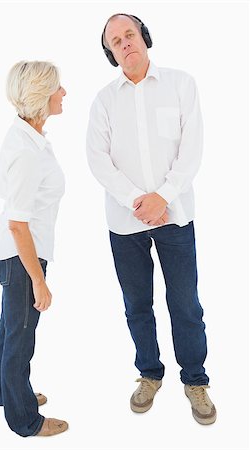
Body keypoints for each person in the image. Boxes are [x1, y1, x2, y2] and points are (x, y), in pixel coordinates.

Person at [86, 13, 216, 425]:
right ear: (110, 52)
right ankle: (148, 374)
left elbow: (192, 148)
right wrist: (135, 201)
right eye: (115, 40)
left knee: (186, 303)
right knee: (136, 305)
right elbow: (97, 160)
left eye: (130, 34)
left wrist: (163, 197)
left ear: (145, 37)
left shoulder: (181, 84)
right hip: (124, 225)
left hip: (175, 216)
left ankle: (195, 379)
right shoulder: (104, 100)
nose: (125, 43)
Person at [0, 60, 68, 437]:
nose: (64, 93)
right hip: (23, 255)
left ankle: (8, 393)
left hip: (16, 253)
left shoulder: (29, 136)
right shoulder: (27, 150)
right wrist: (39, 280)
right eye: (58, 87)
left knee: (10, 329)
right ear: (42, 95)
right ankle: (24, 420)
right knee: (20, 336)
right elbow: (18, 224)